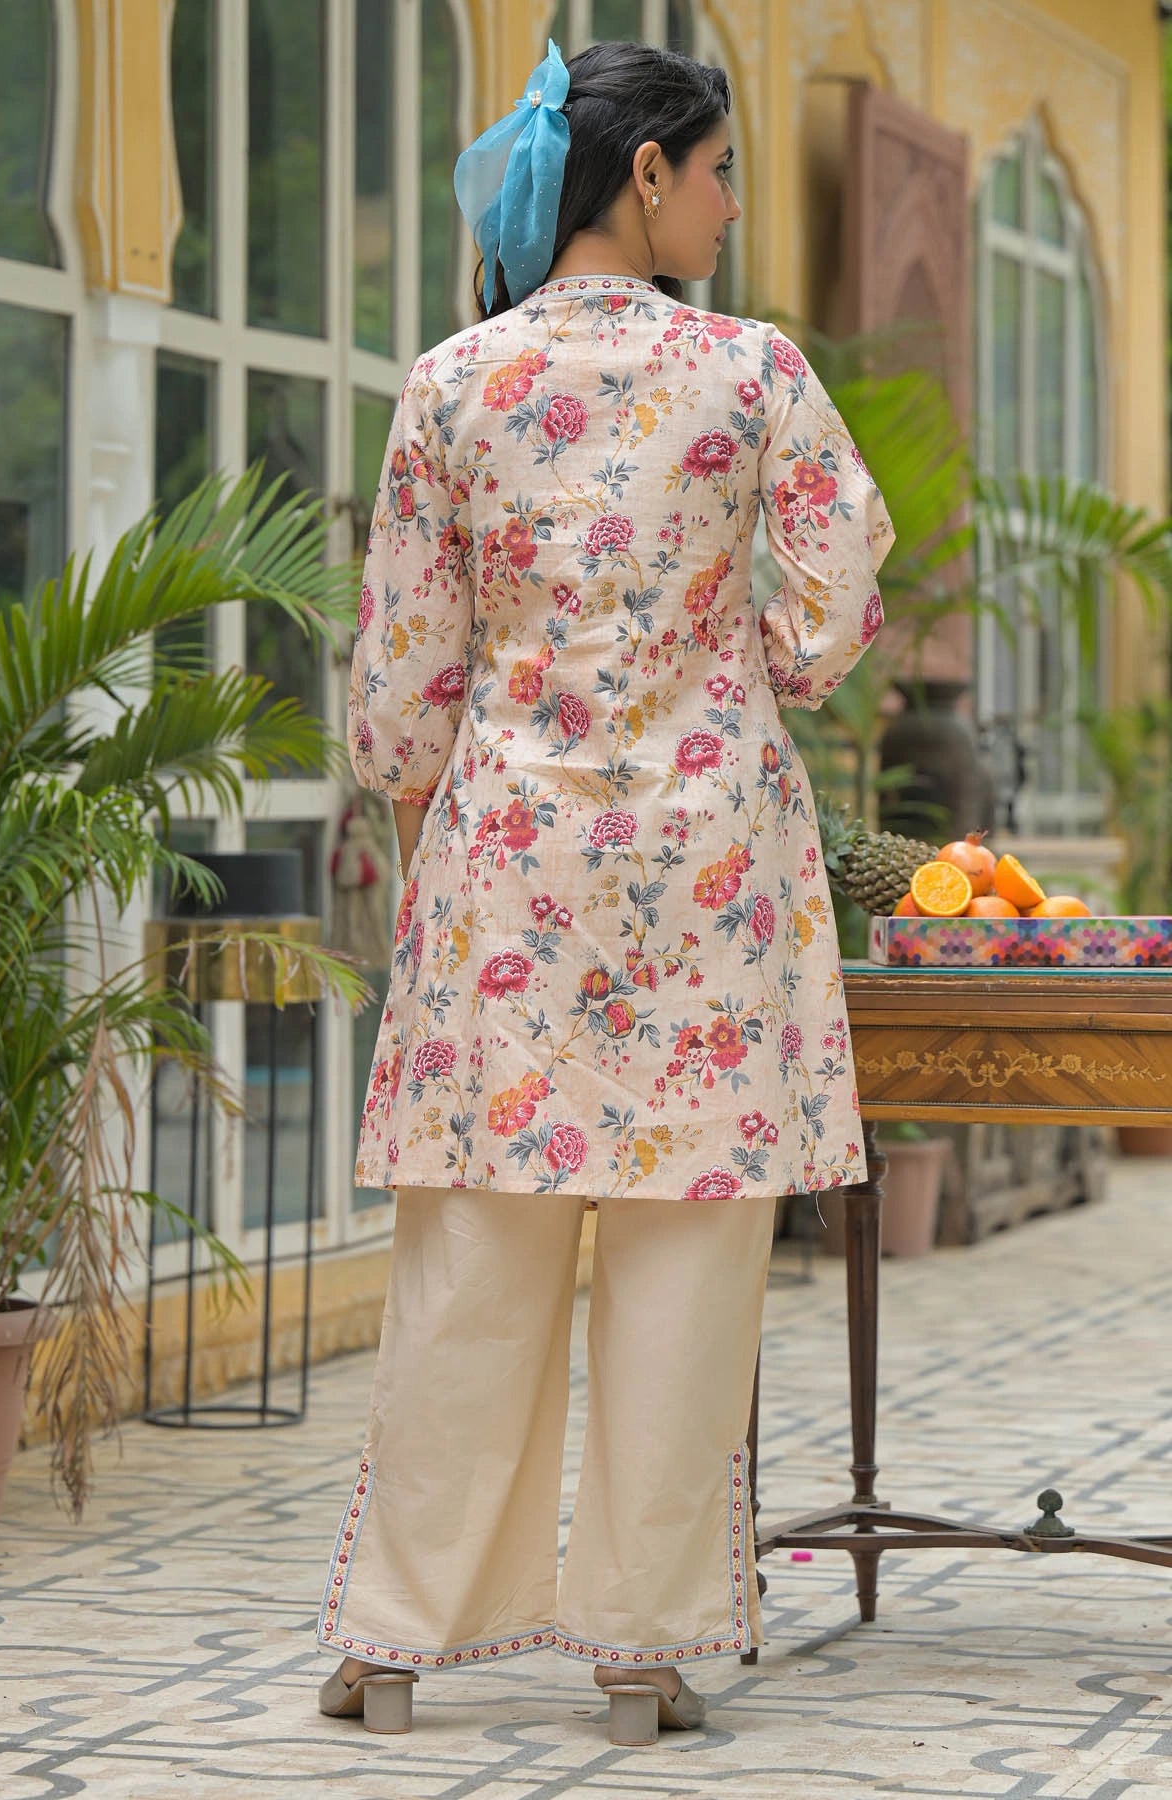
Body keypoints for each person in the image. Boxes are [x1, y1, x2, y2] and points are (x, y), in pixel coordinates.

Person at [316, 37, 892, 1747]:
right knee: (683, 1260)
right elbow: (831, 604)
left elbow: (400, 695)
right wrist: (758, 661)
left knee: (475, 1255)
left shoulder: (449, 384)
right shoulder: (752, 373)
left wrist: (452, 758)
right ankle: (643, 1652)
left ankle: (397, 1642)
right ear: (644, 176)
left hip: (510, 878)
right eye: (714, 173)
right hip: (708, 875)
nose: (724, 206)